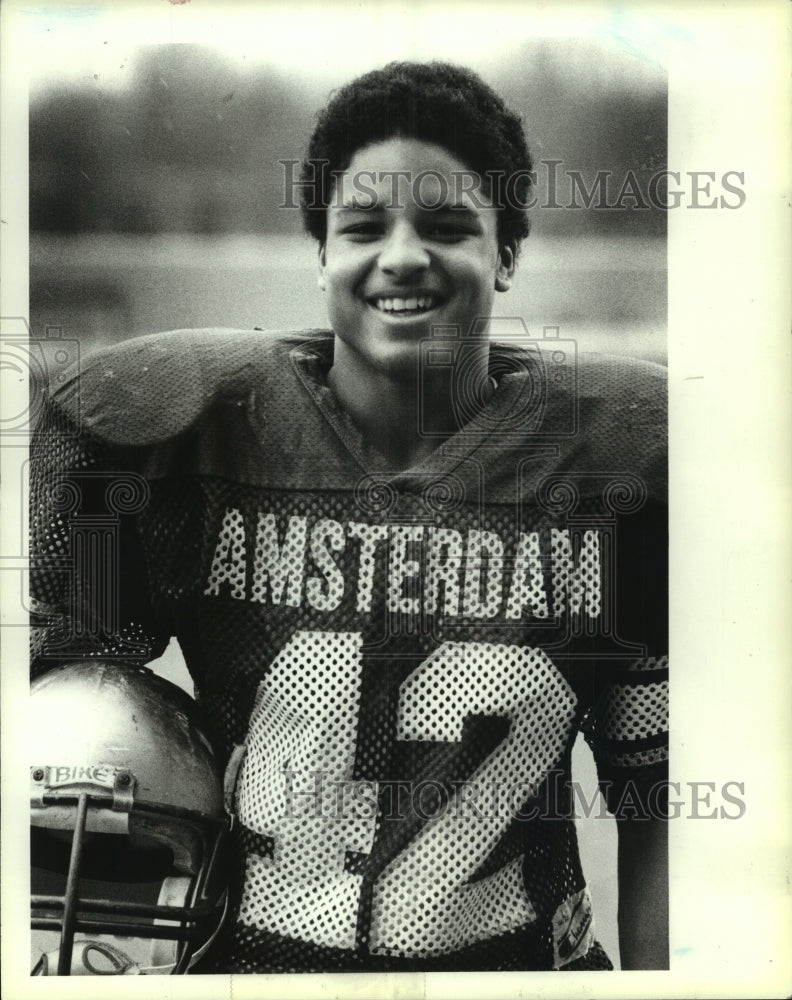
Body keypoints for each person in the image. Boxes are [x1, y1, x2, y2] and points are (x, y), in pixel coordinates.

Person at [30, 61, 668, 974]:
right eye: (362, 226)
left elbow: (661, 806)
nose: (402, 255)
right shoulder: (177, 435)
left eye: (449, 225)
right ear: (321, 252)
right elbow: (68, 728)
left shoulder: (618, 462)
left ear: (509, 251)